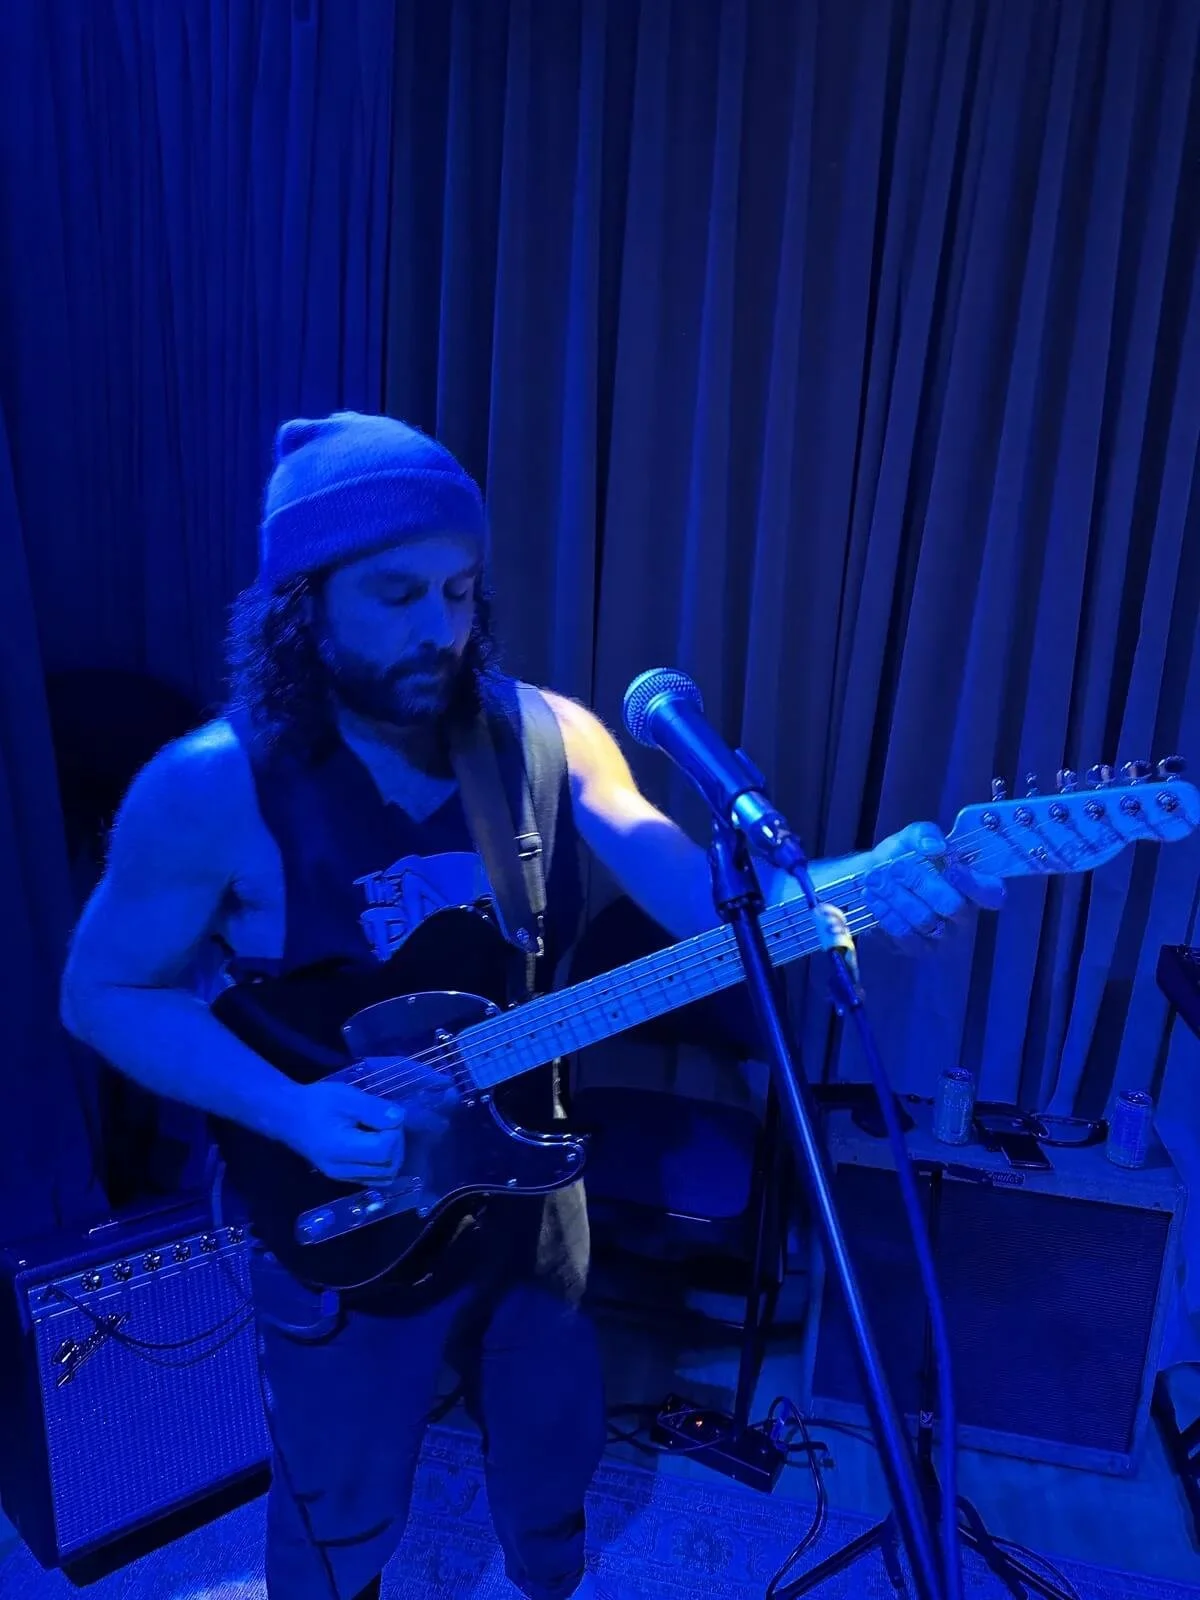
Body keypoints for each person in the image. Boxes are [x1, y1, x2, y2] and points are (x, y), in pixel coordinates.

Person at [59, 412, 1004, 1600]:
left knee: (554, 1476)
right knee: (338, 1513)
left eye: (459, 590)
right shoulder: (208, 786)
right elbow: (104, 992)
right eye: (396, 593)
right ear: (302, 602)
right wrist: (291, 1112)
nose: (441, 630)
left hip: (530, 1194)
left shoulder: (546, 736)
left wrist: (859, 888)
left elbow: (703, 898)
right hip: (343, 1201)